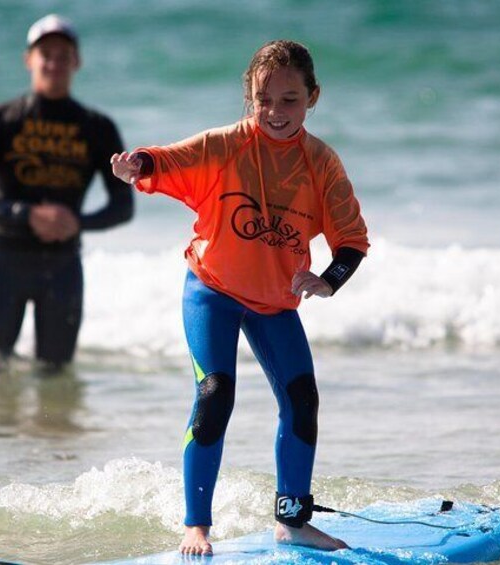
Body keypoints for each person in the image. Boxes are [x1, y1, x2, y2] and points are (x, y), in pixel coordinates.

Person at [111, 40, 369, 555]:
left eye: (290, 100)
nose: (275, 112)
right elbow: (168, 159)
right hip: (212, 290)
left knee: (302, 400)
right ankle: (195, 526)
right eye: (263, 99)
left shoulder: (321, 164)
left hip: (274, 301)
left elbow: (352, 240)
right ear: (250, 97)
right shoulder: (226, 144)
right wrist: (138, 163)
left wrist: (328, 278)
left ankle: (292, 521)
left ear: (313, 97)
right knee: (215, 395)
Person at [0, 14, 133, 370]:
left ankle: (48, 429)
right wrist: (25, 215)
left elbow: (122, 205)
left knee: (56, 378)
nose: (54, 62)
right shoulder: (1, 119)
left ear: (76, 62)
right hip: (5, 260)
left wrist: (77, 222)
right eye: (45, 53)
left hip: (63, 264)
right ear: (29, 60)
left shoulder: (96, 127)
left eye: (63, 55)